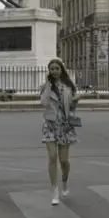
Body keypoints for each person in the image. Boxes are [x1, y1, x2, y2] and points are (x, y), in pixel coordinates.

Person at [40, 58, 80, 205]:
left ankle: (64, 181)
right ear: (49, 71)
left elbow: (72, 108)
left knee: (64, 161)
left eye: (57, 68)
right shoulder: (46, 86)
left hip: (64, 125)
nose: (54, 71)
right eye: (52, 69)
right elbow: (44, 103)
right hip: (50, 124)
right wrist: (49, 86)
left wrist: (75, 101)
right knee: (52, 157)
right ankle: (54, 190)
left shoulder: (69, 86)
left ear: (61, 69)